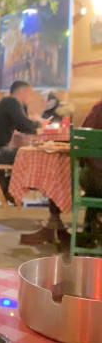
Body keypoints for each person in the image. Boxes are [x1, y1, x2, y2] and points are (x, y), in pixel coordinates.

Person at [0, 80, 45, 196]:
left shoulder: (7, 102)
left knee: (25, 153)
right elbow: (24, 125)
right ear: (22, 92)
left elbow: (21, 125)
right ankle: (10, 187)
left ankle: (7, 188)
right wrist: (41, 126)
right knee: (31, 155)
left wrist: (34, 124)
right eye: (30, 94)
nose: (31, 99)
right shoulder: (12, 102)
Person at [77, 98, 102, 246]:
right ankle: (93, 231)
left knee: (94, 191)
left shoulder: (98, 107)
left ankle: (90, 231)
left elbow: (81, 142)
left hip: (92, 179)